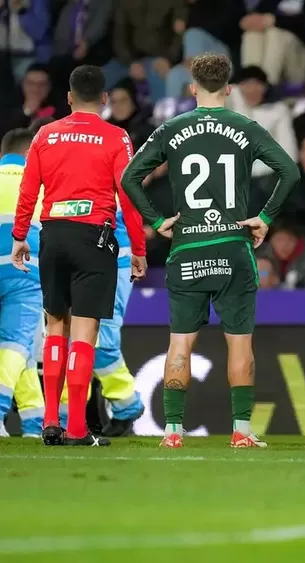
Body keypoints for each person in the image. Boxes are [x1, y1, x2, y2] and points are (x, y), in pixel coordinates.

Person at [118, 54, 301, 449]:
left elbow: (129, 177)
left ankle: (172, 431)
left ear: (192, 87)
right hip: (233, 247)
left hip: (187, 248)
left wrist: (157, 220)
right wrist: (265, 217)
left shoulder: (172, 128)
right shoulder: (245, 126)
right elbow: (290, 171)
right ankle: (241, 430)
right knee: (240, 342)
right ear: (229, 89)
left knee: (180, 342)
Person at [12, 65, 148, 447]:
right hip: (95, 238)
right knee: (85, 333)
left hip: (53, 237)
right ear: (104, 99)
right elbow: (129, 198)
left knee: (55, 327)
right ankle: (76, 428)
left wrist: (20, 236)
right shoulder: (116, 137)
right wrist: (138, 249)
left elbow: (28, 189)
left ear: (69, 98)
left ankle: (50, 422)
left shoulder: (45, 134)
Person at [55, 208, 144, 436]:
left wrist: (139, 251)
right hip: (76, 258)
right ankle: (67, 415)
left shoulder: (115, 183)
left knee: (100, 340)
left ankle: (125, 403)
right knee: (76, 341)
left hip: (114, 259)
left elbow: (129, 210)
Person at [0, 129, 45, 438]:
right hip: (24, 270)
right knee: (15, 342)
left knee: (22, 346)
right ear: (30, 154)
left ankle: (33, 422)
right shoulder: (40, 185)